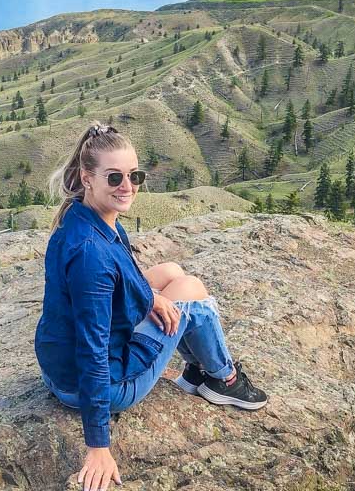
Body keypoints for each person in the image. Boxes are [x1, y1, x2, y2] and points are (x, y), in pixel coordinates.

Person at [34, 121, 268, 491]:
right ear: (87, 177)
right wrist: (98, 446)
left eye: (134, 175)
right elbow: (93, 351)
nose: (127, 186)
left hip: (57, 371)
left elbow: (121, 277)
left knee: (171, 272)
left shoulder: (82, 218)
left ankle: (196, 372)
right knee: (194, 295)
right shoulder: (91, 255)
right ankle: (222, 379)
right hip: (101, 385)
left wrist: (152, 296)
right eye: (114, 178)